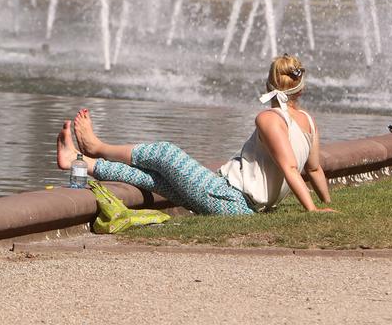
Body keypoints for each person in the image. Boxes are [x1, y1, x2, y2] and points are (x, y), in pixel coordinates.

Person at [56, 54, 335, 215]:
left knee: (166, 153)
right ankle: (82, 162)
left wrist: (313, 211)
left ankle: (97, 146)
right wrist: (326, 203)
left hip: (233, 198)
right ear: (301, 89)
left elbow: (289, 167)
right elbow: (314, 168)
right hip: (236, 202)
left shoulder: (269, 118)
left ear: (268, 84)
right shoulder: (308, 121)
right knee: (154, 180)